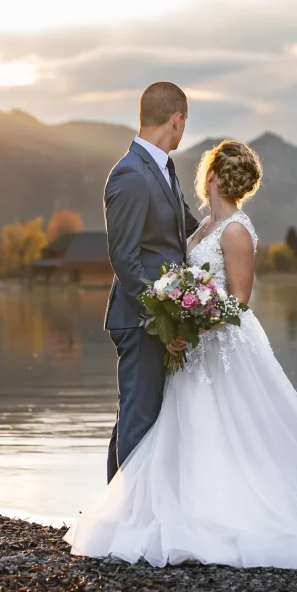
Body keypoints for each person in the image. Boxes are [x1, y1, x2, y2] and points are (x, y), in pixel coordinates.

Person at [68, 139, 297, 585]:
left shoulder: (235, 230)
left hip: (222, 348)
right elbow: (186, 274)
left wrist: (190, 327)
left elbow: (237, 303)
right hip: (191, 349)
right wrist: (176, 322)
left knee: (235, 431)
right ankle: (170, 510)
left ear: (211, 175)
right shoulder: (203, 229)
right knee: (185, 429)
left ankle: (226, 517)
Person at [103, 81, 199, 483]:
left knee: (135, 415)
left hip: (158, 315)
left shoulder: (164, 170)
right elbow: (124, 259)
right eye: (184, 123)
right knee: (139, 418)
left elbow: (187, 233)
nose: (183, 130)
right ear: (176, 120)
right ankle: (125, 521)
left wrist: (233, 226)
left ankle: (112, 513)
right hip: (141, 318)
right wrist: (164, 319)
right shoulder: (130, 174)